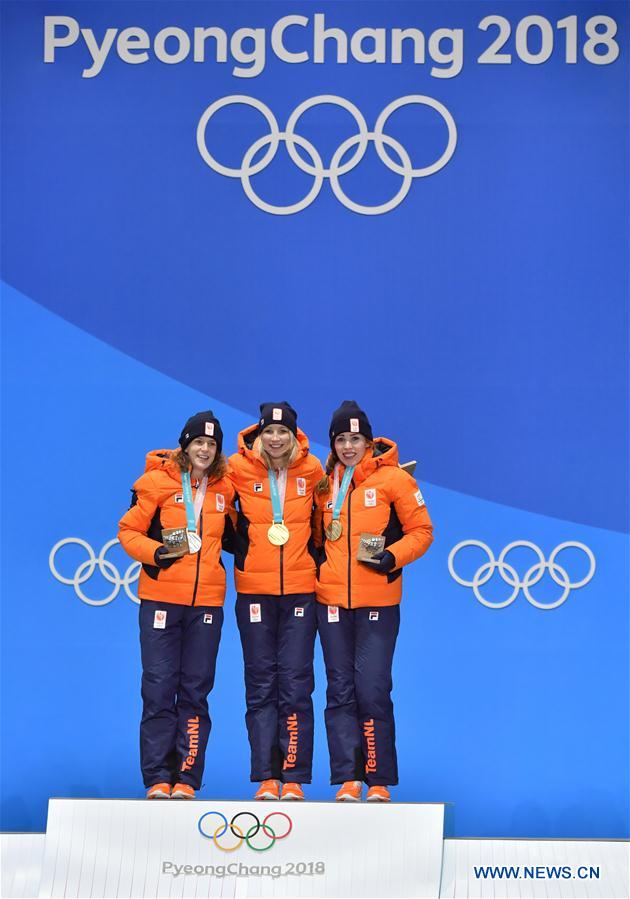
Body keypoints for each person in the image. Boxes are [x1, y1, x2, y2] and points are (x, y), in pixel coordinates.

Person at [313, 400, 433, 802]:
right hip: (330, 602)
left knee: (373, 687)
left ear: (368, 441)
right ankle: (348, 778)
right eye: (341, 440)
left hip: (378, 601)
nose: (348, 446)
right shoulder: (325, 484)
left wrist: (392, 557)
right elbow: (317, 539)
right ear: (333, 444)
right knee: (339, 689)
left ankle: (377, 778)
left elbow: (422, 531)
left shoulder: (394, 479)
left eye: (355, 439)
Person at [118, 411, 234, 800]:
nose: (205, 449)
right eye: (198, 442)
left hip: (207, 604)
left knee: (195, 691)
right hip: (161, 600)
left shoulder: (225, 488)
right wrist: (155, 553)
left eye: (212, 444)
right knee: (158, 688)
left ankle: (186, 776)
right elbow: (128, 531)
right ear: (185, 445)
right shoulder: (155, 482)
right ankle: (157, 777)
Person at [227, 402, 324, 801]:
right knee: (261, 684)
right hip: (254, 589)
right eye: (269, 431)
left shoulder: (312, 469)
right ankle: (267, 776)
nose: (276, 438)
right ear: (260, 433)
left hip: (301, 589)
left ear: (294, 435)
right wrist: (242, 550)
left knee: (297, 683)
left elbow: (329, 517)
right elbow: (206, 497)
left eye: (283, 431)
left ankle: (295, 776)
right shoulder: (236, 468)